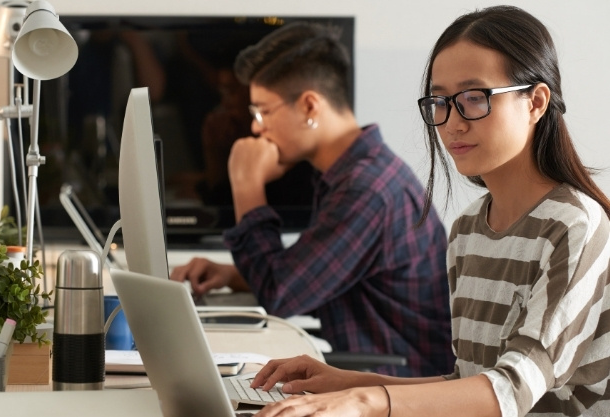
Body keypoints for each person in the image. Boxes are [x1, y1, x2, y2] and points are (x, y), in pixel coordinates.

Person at [248, 6, 610, 417]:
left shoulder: (575, 224)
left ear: (536, 102)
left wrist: (364, 401)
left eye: (474, 98)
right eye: (440, 101)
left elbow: (512, 389)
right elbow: (469, 383)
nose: (451, 122)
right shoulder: (468, 229)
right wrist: (343, 381)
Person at [170, 22, 454, 377]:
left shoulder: (367, 190)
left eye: (262, 111)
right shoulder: (353, 174)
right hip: (370, 383)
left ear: (309, 106)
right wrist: (233, 275)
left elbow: (280, 295)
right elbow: (312, 278)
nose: (256, 127)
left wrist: (246, 185)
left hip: (396, 393)